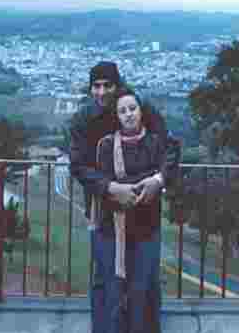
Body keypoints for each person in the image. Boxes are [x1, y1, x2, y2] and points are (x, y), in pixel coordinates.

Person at [69, 62, 176, 333]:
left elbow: (169, 147)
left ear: (118, 86)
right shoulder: (84, 119)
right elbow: (78, 165)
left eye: (107, 85)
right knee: (106, 280)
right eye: (96, 86)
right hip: (104, 210)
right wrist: (110, 188)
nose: (101, 92)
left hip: (144, 210)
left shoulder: (136, 106)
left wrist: (158, 180)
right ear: (90, 88)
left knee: (145, 280)